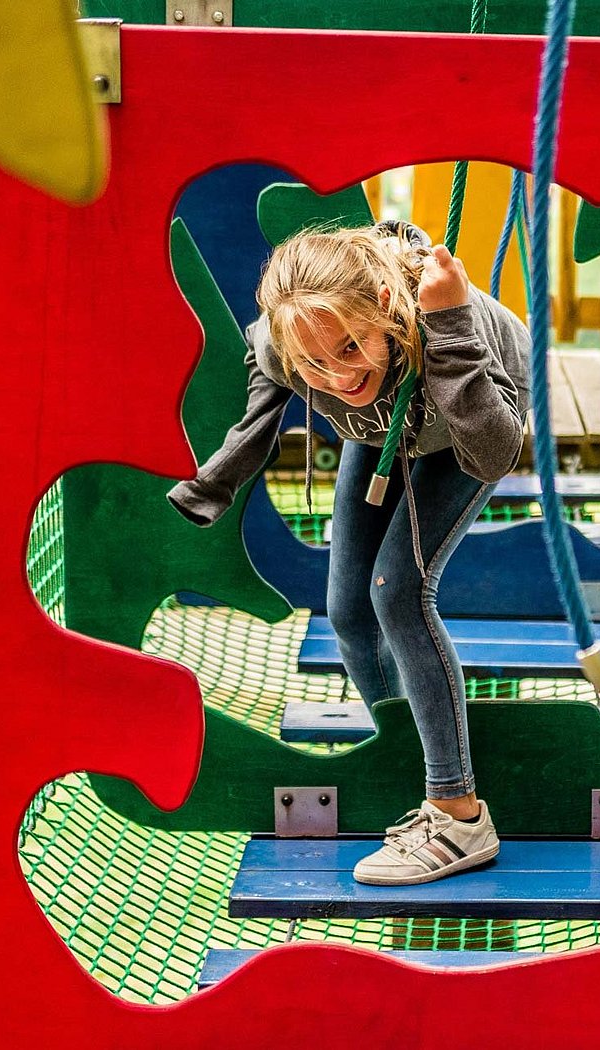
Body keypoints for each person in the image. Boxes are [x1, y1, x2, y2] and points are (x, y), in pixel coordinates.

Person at [167, 220, 531, 885]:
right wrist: (209, 485)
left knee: (397, 592)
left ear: (387, 313)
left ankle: (458, 814)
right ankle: (410, 760)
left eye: (348, 345)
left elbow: (495, 455)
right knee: (347, 609)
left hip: (470, 402)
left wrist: (447, 327)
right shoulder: (291, 348)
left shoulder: (434, 319)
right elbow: (260, 417)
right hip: (382, 419)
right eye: (313, 362)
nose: (334, 372)